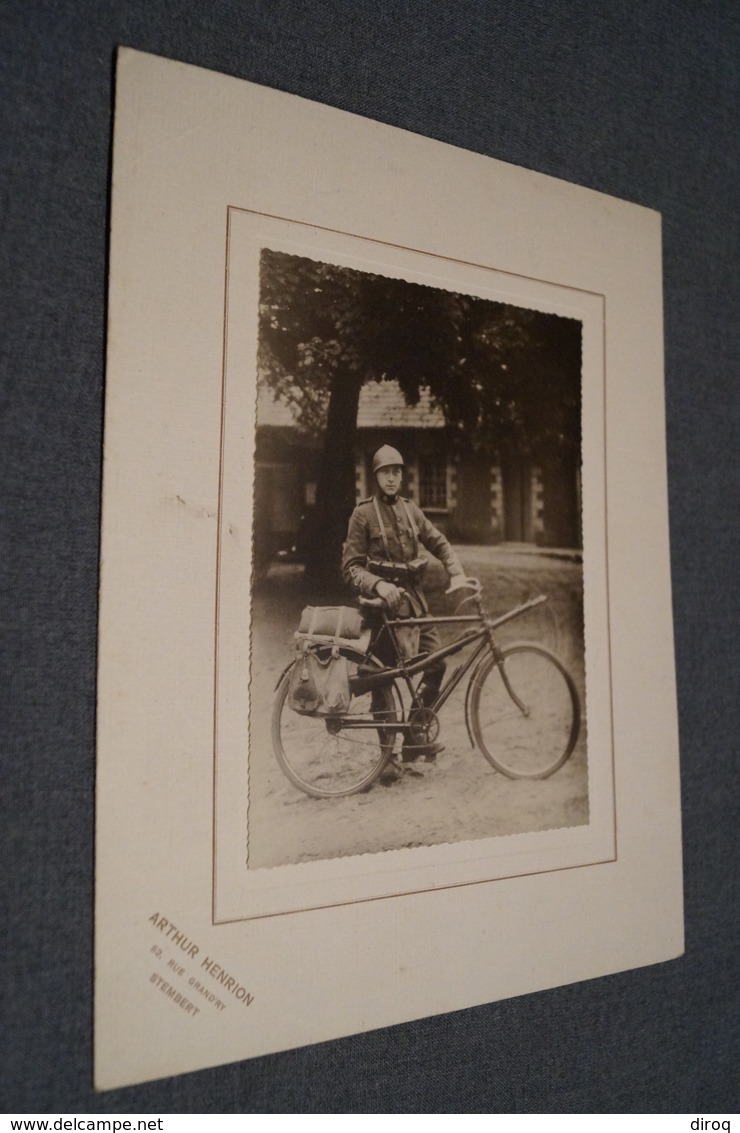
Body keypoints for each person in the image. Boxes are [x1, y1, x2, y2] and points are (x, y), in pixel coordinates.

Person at [342, 444, 467, 767]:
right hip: (382, 608)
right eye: (386, 472)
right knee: (382, 679)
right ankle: (387, 756)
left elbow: (437, 540)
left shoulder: (413, 511)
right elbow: (351, 567)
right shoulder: (363, 514)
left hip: (415, 604)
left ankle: (413, 735)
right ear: (376, 477)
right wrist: (379, 584)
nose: (392, 479)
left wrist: (455, 569)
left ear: (402, 476)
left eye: (397, 472)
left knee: (437, 662)